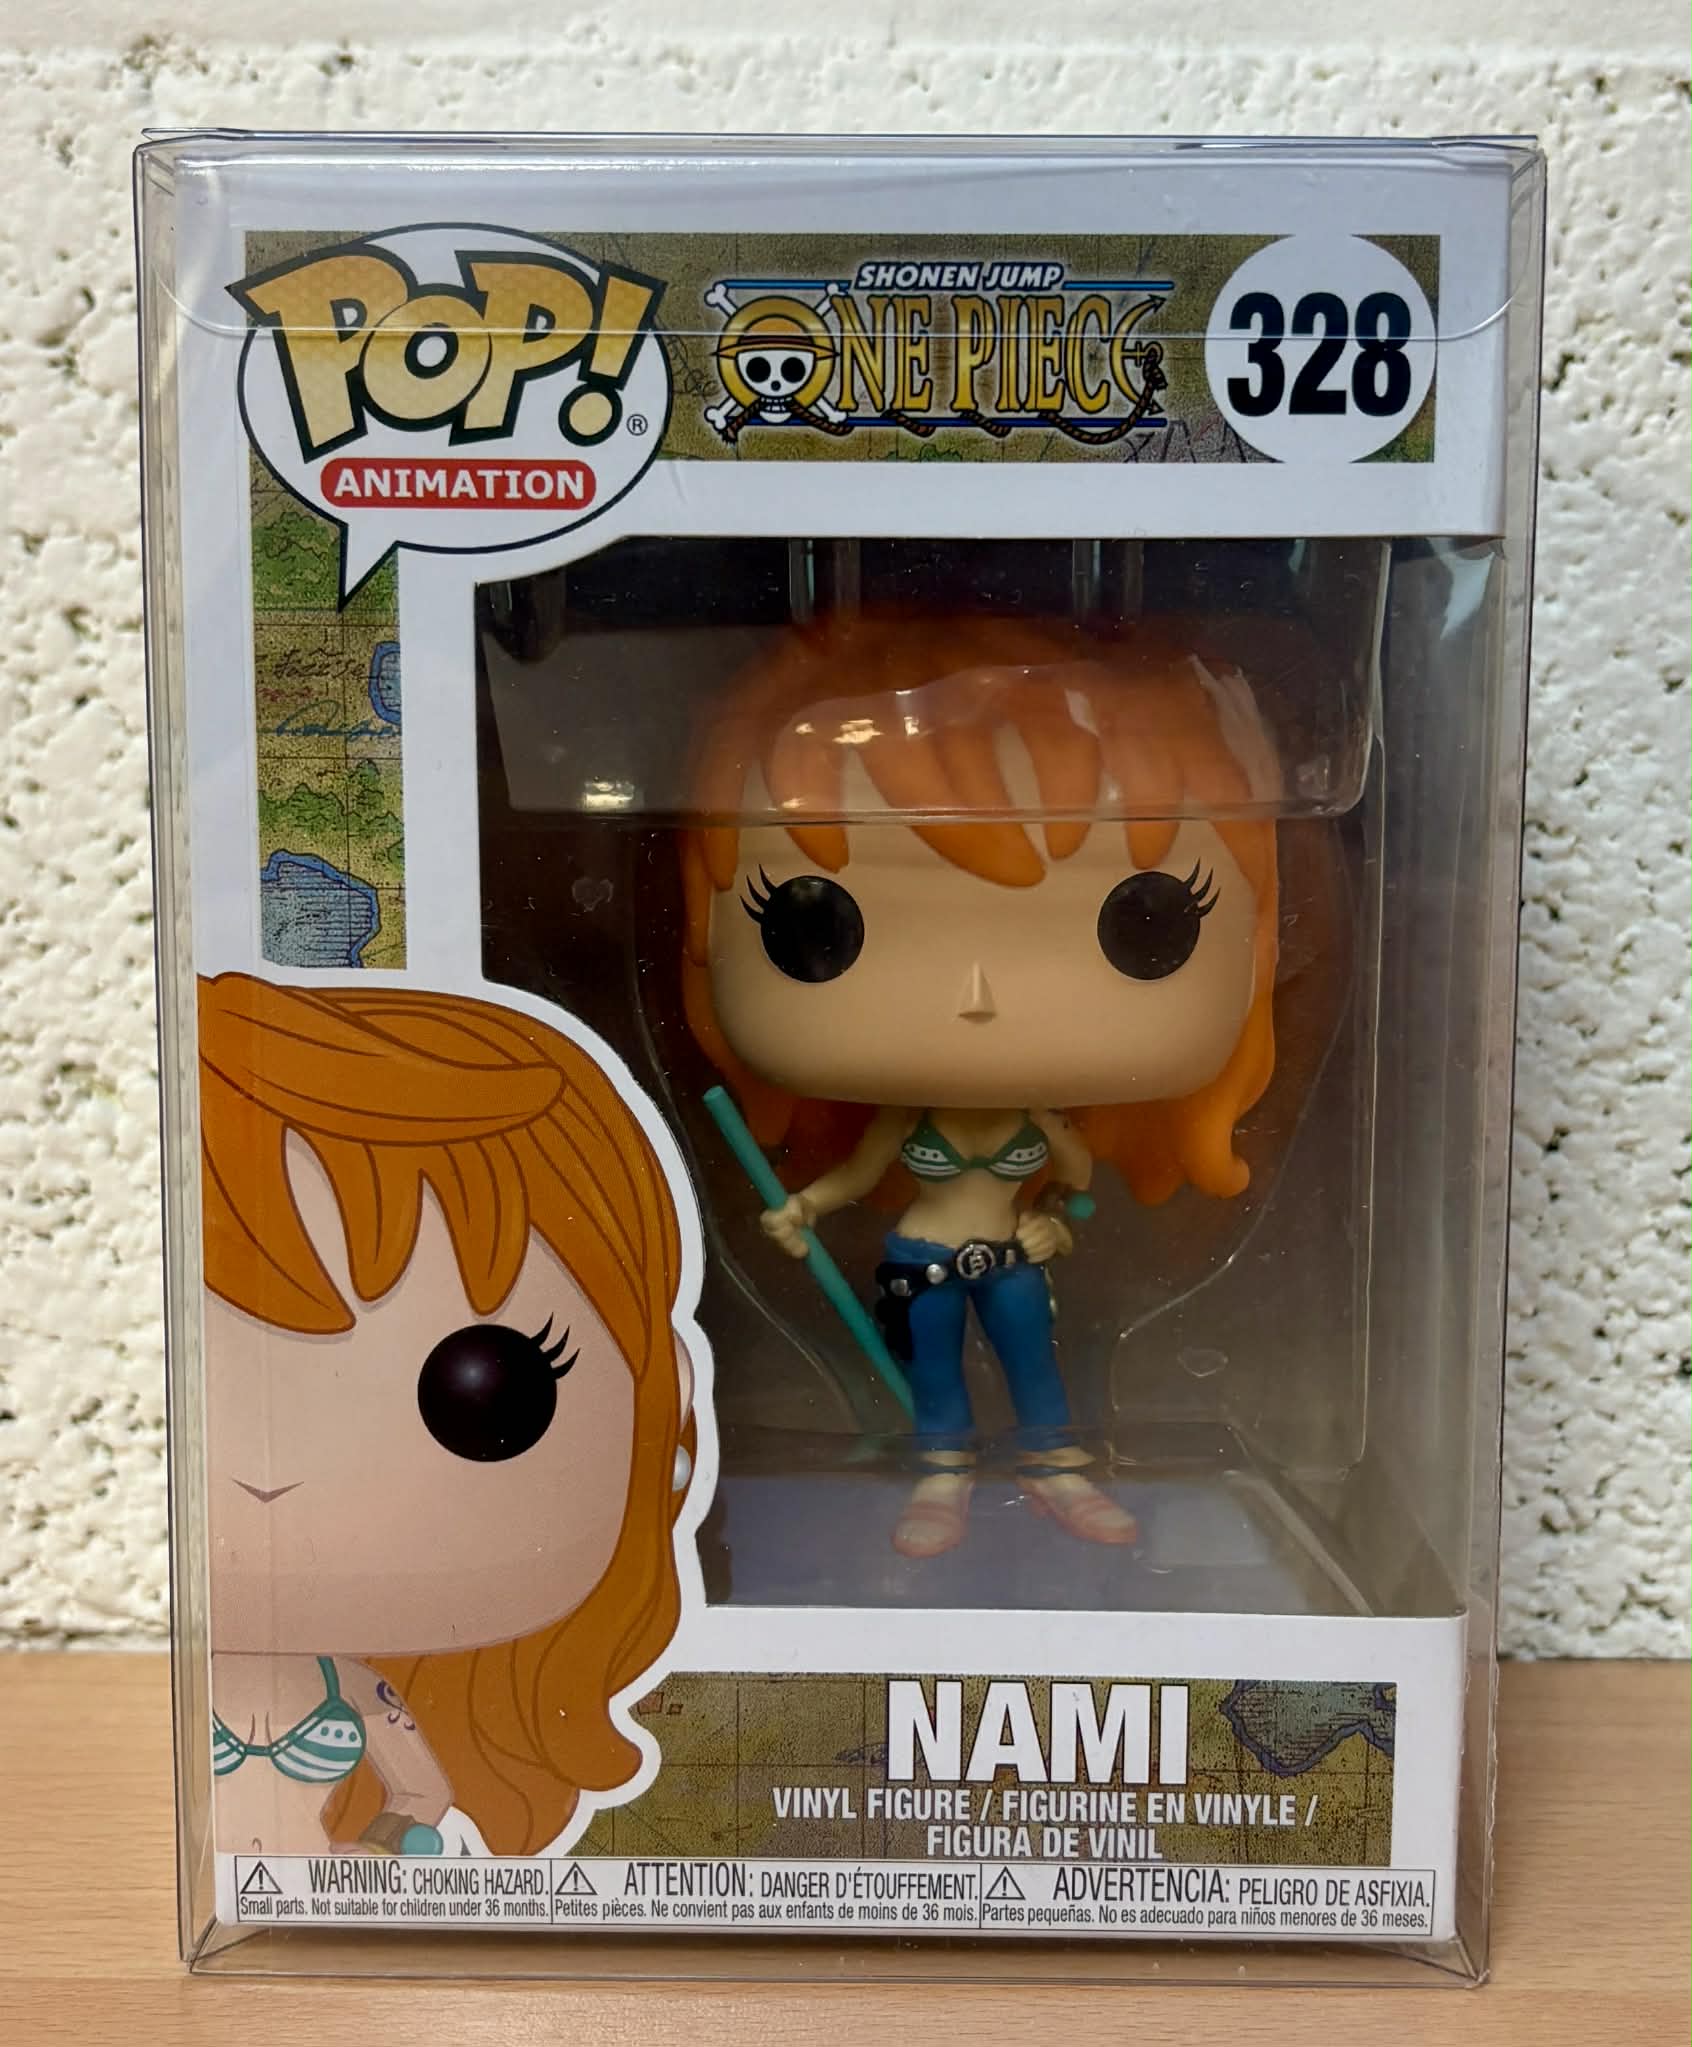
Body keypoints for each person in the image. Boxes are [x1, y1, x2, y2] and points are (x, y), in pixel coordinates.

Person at [682, 612, 1277, 1558]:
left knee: (1036, 1373)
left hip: (1011, 1262)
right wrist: (804, 1207)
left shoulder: (1041, 1117)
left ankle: (1053, 1467)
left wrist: (1055, 1223)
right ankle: (943, 1475)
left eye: (1149, 918)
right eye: (811, 922)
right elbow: (861, 1171)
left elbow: (1072, 1179)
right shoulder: (905, 1118)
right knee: (937, 1382)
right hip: (920, 1262)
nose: (976, 995)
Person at [198, 972, 697, 1856]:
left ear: (666, 1404)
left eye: (487, 1393)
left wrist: (383, 1851)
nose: (273, 1477)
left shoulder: (355, 1689)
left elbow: (421, 1789)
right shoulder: (170, 1676)